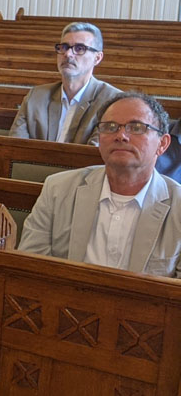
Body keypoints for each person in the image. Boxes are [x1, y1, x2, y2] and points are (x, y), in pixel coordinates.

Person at [19, 92, 181, 277]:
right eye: (110, 127)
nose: (121, 136)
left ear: (162, 143)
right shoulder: (57, 189)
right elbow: (31, 269)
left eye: (136, 128)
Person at [10, 22, 121, 144]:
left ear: (97, 58)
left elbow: (93, 154)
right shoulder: (36, 96)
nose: (68, 54)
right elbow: (16, 147)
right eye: (64, 47)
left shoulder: (113, 101)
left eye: (79, 48)